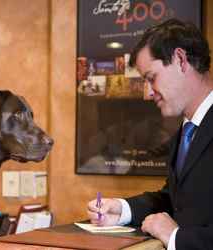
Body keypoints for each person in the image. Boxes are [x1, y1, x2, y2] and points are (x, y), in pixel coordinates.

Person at [87, 18, 212, 250]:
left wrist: (175, 237)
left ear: (180, 60)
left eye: (151, 78)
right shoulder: (184, 133)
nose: (148, 93)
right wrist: (123, 209)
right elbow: (175, 200)